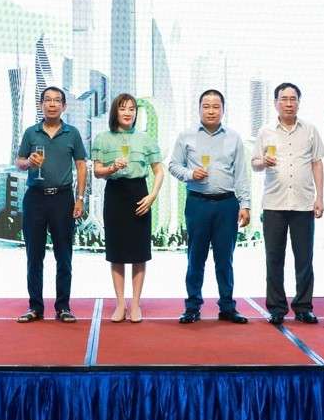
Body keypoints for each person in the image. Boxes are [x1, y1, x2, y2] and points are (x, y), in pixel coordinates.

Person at [168, 89, 251, 324]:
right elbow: (173, 165)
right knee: (196, 258)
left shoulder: (234, 138)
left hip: (227, 204)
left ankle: (227, 307)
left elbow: (241, 174)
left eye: (216, 106)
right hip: (198, 203)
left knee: (225, 259)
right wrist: (190, 174)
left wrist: (245, 204)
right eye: (206, 106)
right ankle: (192, 307)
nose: (211, 111)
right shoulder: (186, 136)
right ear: (199, 109)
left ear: (223, 110)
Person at [253, 82, 324, 325]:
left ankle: (303, 307)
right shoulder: (265, 131)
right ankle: (276, 308)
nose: (288, 103)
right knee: (274, 259)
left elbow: (317, 163)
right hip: (274, 204)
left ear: (298, 102)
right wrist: (263, 162)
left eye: (292, 99)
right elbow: (254, 164)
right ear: (275, 103)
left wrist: (319, 197)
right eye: (283, 99)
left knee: (304, 259)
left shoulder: (310, 130)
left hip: (303, 204)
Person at [15, 86, 89, 323]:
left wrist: (80, 198)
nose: (52, 104)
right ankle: (35, 307)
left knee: (64, 256)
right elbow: (19, 162)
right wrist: (28, 162)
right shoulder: (31, 133)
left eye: (57, 100)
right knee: (34, 256)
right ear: (41, 105)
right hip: (35, 198)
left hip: (62, 199)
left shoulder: (72, 133)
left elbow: (81, 166)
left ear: (64, 106)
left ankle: (63, 307)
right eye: (47, 100)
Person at [92, 93, 163, 323]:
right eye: (123, 108)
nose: (128, 113)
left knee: (139, 252)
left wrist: (152, 196)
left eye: (132, 109)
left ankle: (135, 304)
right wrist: (112, 168)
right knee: (117, 252)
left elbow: (159, 170)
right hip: (115, 195)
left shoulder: (145, 139)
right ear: (115, 111)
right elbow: (97, 171)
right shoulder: (103, 138)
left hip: (139, 193)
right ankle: (120, 304)